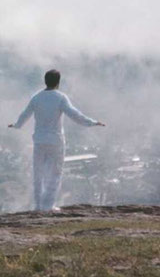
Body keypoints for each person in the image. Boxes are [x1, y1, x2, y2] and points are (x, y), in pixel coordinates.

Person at [8, 69, 105, 211]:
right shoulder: (60, 97)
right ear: (58, 82)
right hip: (56, 141)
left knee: (38, 173)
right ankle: (48, 206)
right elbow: (75, 115)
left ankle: (38, 206)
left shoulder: (36, 97)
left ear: (45, 81)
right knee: (55, 174)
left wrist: (16, 125)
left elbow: (25, 115)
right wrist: (93, 122)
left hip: (39, 140)